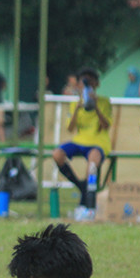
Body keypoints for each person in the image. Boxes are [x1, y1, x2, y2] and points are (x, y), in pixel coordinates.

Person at [51, 68, 112, 221]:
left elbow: (106, 126)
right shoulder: (75, 104)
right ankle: (82, 187)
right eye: (83, 81)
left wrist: (96, 106)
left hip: (97, 142)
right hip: (80, 140)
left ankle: (89, 205)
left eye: (90, 81)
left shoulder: (104, 102)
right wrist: (78, 108)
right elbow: (70, 128)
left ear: (96, 84)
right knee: (57, 154)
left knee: (92, 165)